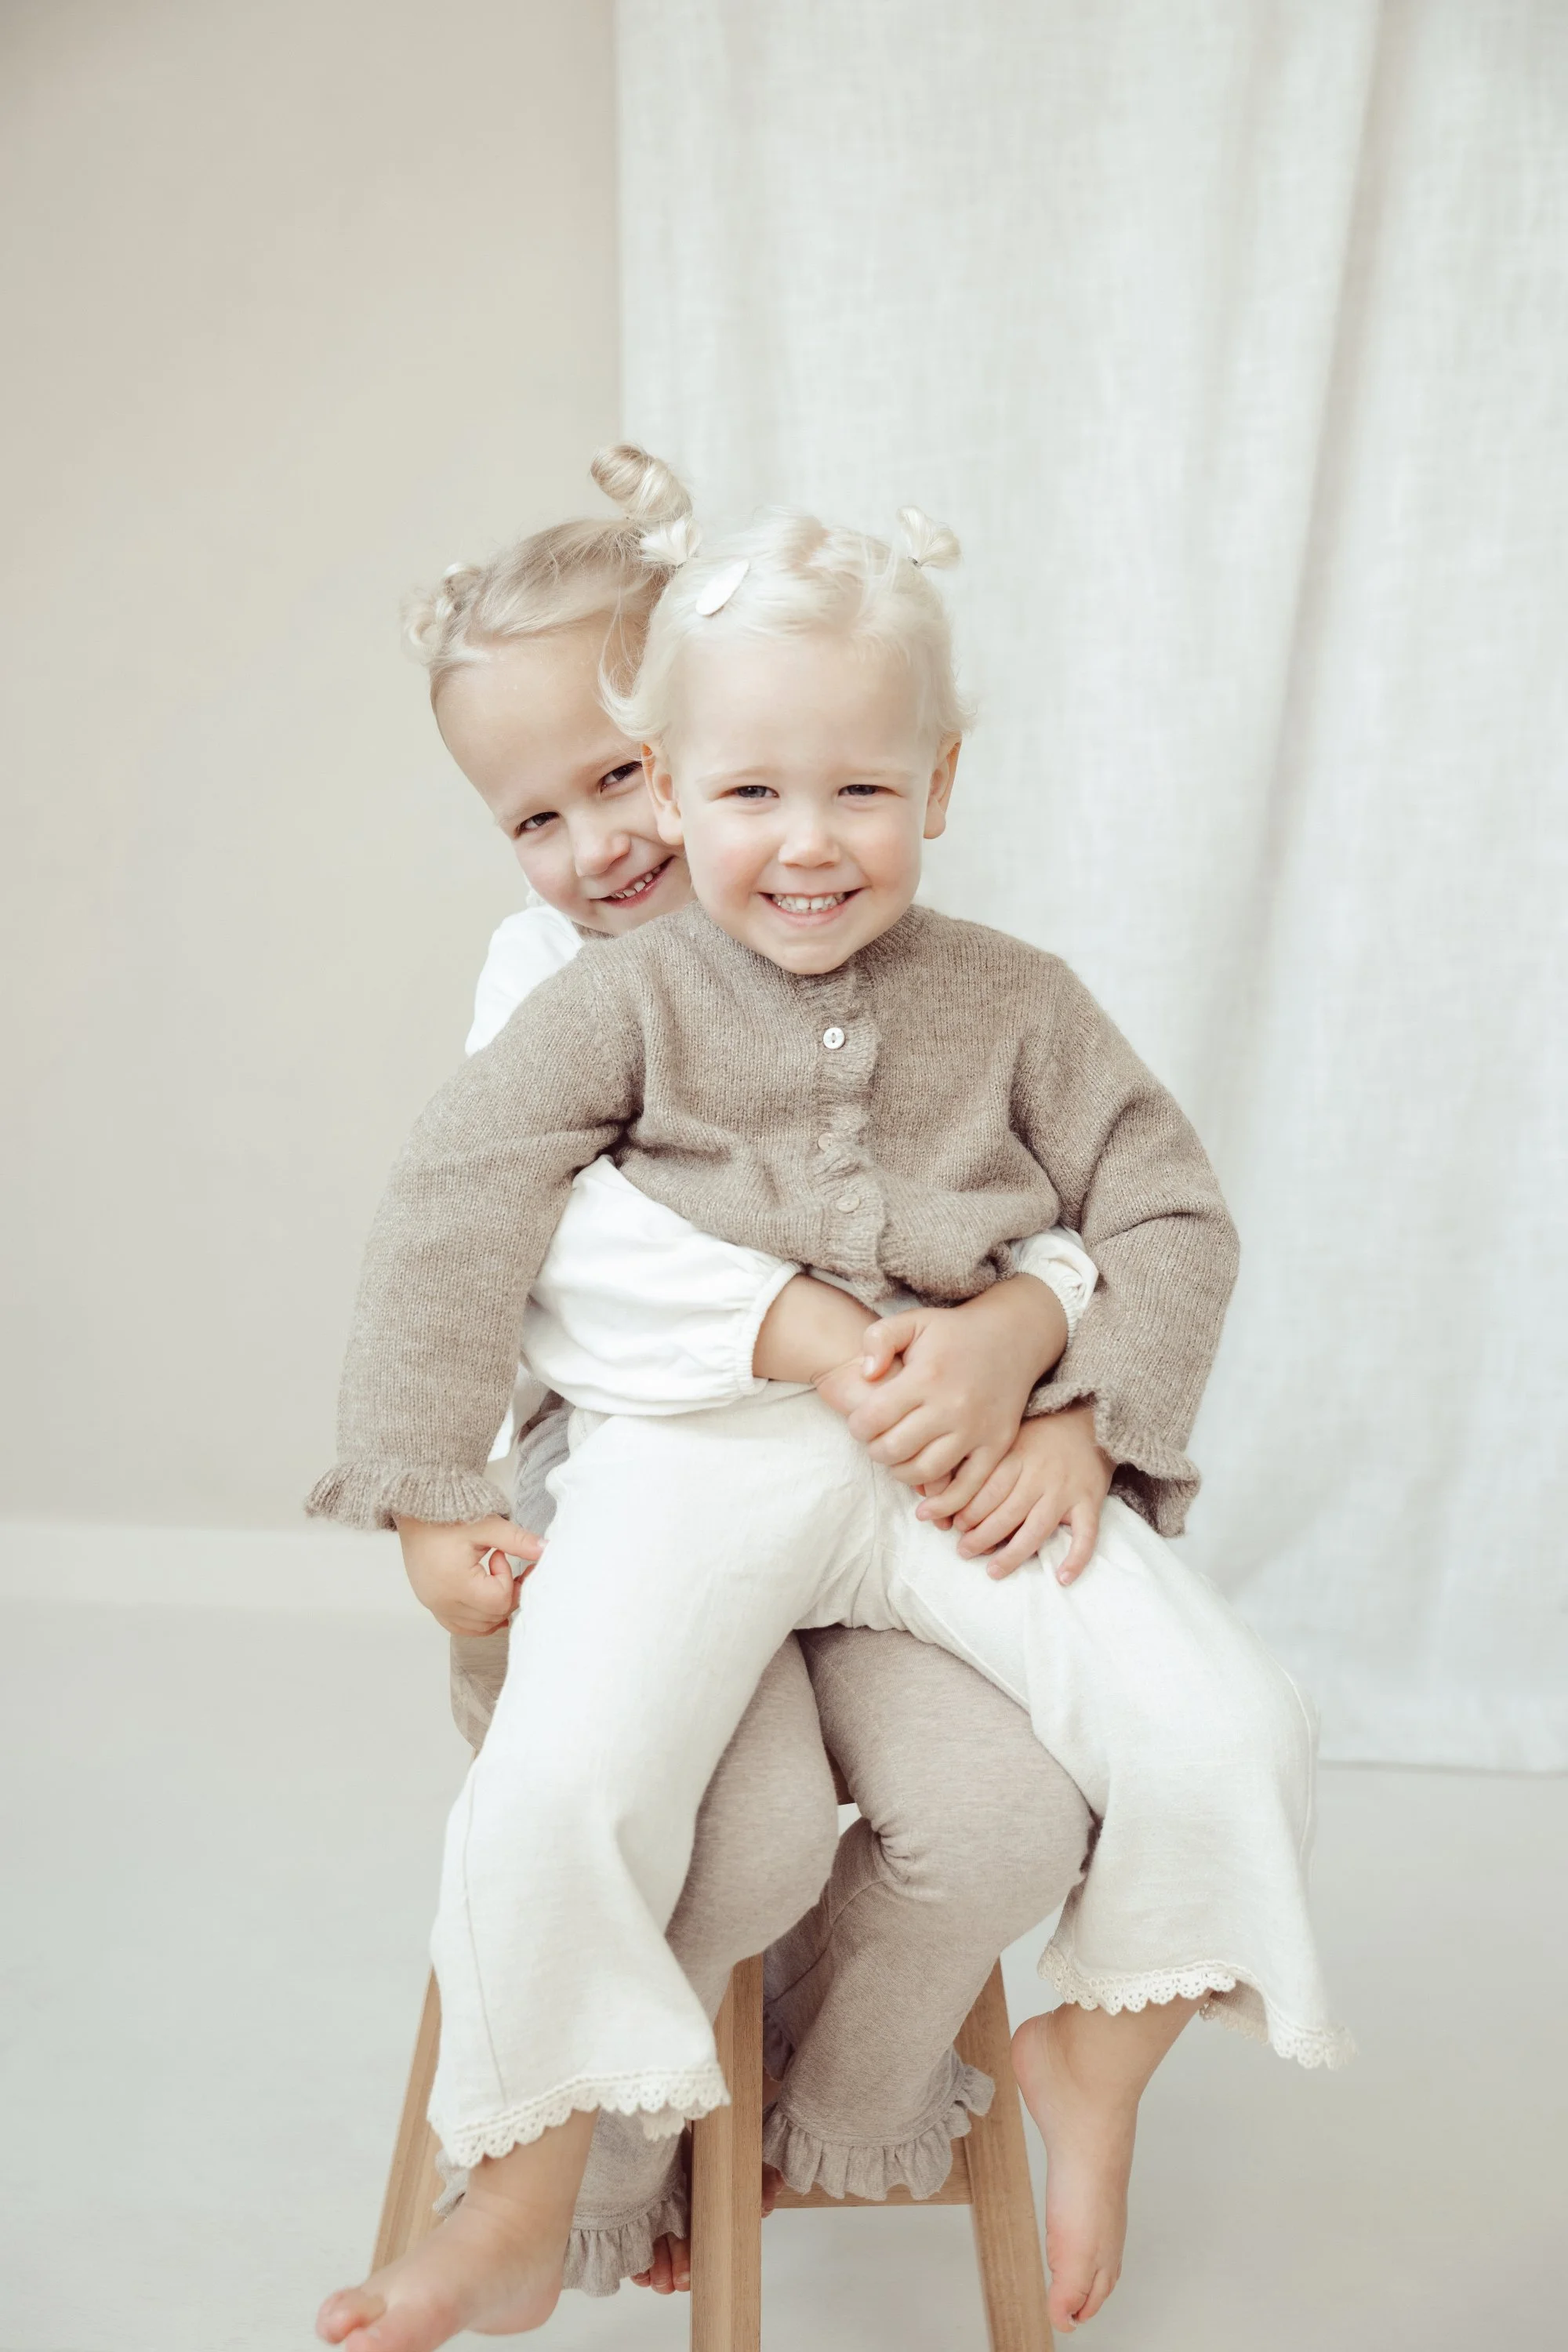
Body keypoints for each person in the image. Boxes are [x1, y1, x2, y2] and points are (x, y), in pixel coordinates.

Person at [313, 479, 1347, 2352]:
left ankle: (1094, 2053)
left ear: (937, 787)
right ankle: (531, 2189)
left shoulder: (1014, 1000)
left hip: (943, 1468)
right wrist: (410, 1486)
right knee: (578, 1777)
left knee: (1235, 1724)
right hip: (689, 1468)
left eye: (857, 791)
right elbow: (457, 1205)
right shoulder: (600, 1000)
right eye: (747, 795)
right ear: (685, 769)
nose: (804, 843)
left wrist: (1081, 1414)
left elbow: (1167, 1208)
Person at [422, 450, 1099, 2298]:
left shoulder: (852, 930)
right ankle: (610, 2146)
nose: (598, 850)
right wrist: (806, 1329)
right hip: (644, 1503)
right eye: (533, 819)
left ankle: (828, 2085)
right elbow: (553, 1248)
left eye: (625, 776)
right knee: (753, 1836)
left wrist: (1015, 1320)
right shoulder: (554, 986)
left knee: (1010, 1814)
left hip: (874, 1498)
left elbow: (1026, 1184)